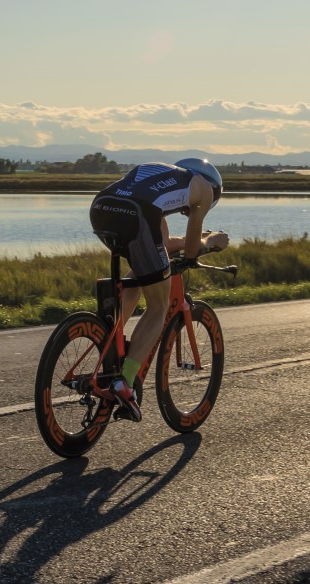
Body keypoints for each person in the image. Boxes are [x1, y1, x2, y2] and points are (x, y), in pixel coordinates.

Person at [88, 158, 230, 421]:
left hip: (102, 206)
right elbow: (189, 251)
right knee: (159, 306)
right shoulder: (205, 188)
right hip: (138, 216)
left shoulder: (161, 176)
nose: (188, 212)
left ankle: (110, 337)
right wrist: (210, 241)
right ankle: (125, 382)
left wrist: (193, 240)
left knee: (143, 273)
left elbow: (162, 241)